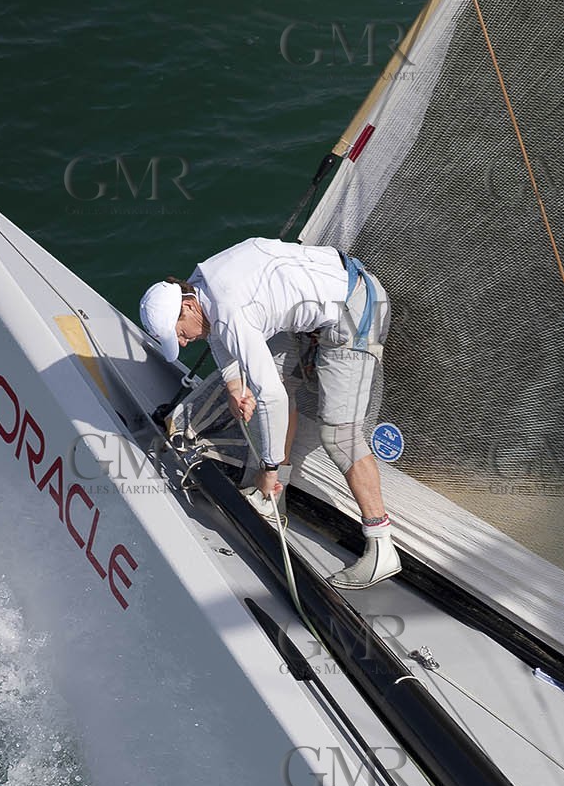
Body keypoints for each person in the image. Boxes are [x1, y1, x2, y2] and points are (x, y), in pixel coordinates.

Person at [139, 237, 400, 589]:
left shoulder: (229, 311)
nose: (183, 344)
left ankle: (382, 546)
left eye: (179, 336)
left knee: (339, 435)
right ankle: (274, 498)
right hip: (318, 304)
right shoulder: (201, 285)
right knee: (269, 380)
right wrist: (234, 386)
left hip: (355, 309)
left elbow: (269, 396)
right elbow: (217, 333)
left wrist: (268, 467)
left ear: (186, 308)